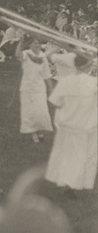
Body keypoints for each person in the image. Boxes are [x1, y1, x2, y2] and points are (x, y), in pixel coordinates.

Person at [45, 55, 97, 195]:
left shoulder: (65, 81)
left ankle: (68, 183)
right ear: (87, 66)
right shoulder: (93, 83)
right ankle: (74, 184)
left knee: (68, 154)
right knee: (85, 155)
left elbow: (55, 102)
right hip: (86, 125)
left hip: (68, 124)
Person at [16, 36, 53, 143]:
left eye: (38, 43)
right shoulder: (26, 54)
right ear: (30, 45)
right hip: (27, 87)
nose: (37, 45)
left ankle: (40, 131)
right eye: (34, 43)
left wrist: (50, 88)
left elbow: (46, 74)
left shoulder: (43, 56)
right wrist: (20, 41)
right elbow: (17, 55)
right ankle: (34, 134)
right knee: (30, 112)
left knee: (41, 111)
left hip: (39, 87)